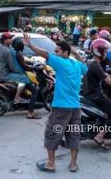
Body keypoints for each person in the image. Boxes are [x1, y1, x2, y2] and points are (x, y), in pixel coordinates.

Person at [22, 33, 88, 173]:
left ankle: (51, 164)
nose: (55, 53)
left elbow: (45, 54)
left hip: (61, 108)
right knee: (73, 134)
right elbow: (83, 64)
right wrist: (75, 52)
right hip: (75, 108)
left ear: (65, 52)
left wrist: (30, 45)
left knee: (53, 133)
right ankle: (73, 164)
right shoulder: (77, 65)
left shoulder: (60, 62)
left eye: (57, 51)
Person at [0, 32, 29, 104]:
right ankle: (17, 98)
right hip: (4, 75)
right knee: (24, 78)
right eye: (10, 38)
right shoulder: (7, 51)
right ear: (5, 40)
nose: (11, 40)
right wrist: (20, 72)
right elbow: (12, 67)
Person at [11, 38, 40, 119]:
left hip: (14, 74)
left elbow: (21, 63)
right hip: (21, 76)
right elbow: (24, 66)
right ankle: (30, 113)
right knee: (34, 91)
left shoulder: (13, 52)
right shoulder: (19, 54)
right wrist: (34, 68)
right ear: (21, 45)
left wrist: (30, 63)